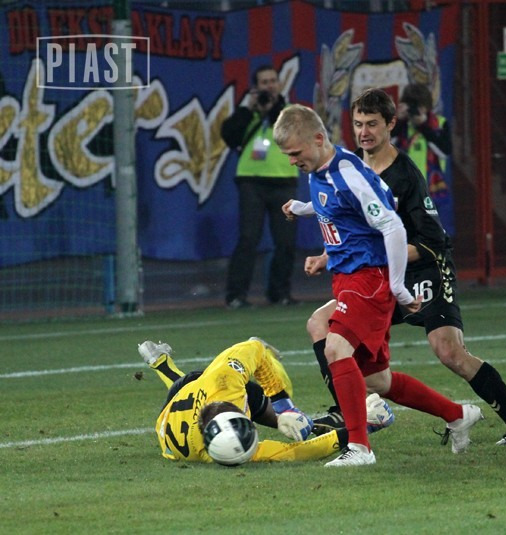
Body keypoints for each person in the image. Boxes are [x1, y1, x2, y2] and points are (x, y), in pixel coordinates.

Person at [303, 88, 506, 446]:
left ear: (391, 124)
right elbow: (351, 226)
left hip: (422, 270)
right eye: (358, 124)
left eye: (372, 124)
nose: (364, 132)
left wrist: (383, 259)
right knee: (322, 325)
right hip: (378, 276)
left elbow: (432, 241)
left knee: (449, 352)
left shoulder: (406, 176)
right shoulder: (348, 167)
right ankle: (348, 411)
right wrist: (327, 255)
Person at [275, 104, 483, 467]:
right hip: (347, 278)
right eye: (288, 155)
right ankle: (457, 414)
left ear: (318, 139)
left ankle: (359, 447)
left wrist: (398, 285)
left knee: (334, 346)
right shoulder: (322, 168)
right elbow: (337, 204)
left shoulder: (348, 172)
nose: (292, 161)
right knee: (378, 381)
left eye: (295, 153)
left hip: (368, 279)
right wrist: (304, 208)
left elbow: (392, 225)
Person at [138, 337, 345, 463]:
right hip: (176, 408)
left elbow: (254, 348)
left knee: (278, 394)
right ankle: (160, 362)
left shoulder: (225, 381)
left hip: (175, 407)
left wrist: (283, 404)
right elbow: (298, 452)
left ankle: (161, 362)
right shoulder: (242, 451)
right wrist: (359, 429)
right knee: (279, 415)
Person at [221, 65, 299, 308]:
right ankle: (236, 295)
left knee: (285, 241)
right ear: (256, 87)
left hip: (284, 180)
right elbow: (229, 136)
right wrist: (248, 108)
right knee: (248, 239)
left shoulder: (289, 112)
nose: (269, 86)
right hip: (251, 181)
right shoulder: (247, 113)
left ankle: (280, 293)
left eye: (273, 81)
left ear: (280, 84)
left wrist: (273, 108)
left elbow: (291, 133)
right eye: (264, 82)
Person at [392, 83, 451, 199]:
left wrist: (423, 126)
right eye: (413, 106)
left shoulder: (439, 124)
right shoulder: (401, 125)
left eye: (420, 106)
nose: (417, 110)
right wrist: (398, 120)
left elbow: (444, 152)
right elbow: (383, 149)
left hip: (430, 189)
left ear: (427, 106)